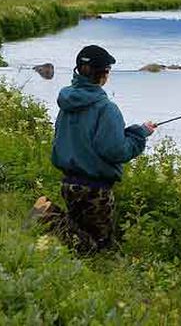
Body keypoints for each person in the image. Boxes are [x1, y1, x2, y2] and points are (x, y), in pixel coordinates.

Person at [28, 45, 156, 254]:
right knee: (98, 249)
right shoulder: (106, 108)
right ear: (103, 75)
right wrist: (139, 136)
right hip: (95, 189)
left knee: (79, 236)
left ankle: (47, 214)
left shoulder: (67, 102)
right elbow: (115, 151)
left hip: (69, 183)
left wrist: (136, 131)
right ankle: (46, 213)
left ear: (78, 70)